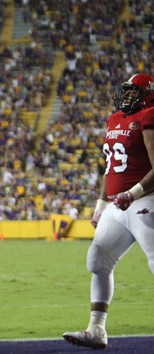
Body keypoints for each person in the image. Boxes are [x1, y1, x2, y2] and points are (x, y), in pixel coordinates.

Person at [63, 73, 154, 349]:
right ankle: (96, 330)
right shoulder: (114, 119)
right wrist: (100, 206)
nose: (127, 97)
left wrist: (133, 193)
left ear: (147, 94)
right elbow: (111, 169)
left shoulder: (150, 116)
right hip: (117, 203)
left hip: (144, 201)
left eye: (133, 91)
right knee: (98, 261)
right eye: (125, 91)